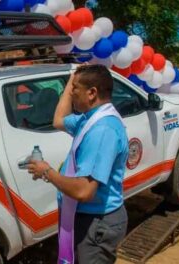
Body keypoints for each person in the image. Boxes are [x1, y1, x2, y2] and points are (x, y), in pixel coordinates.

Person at [27, 64, 129, 264]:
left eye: (75, 89)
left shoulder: (102, 130)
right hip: (88, 218)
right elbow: (59, 120)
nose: (71, 93)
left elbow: (84, 191)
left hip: (96, 222)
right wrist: (72, 81)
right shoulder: (89, 119)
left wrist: (46, 171)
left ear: (91, 93)